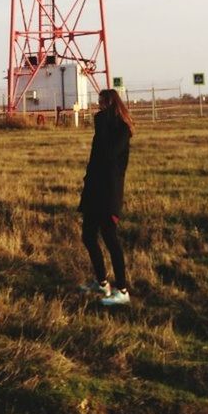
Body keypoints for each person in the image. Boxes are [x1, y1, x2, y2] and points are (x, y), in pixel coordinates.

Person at [78, 87, 134, 306]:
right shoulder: (103, 126)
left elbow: (110, 155)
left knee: (111, 239)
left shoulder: (121, 129)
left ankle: (122, 290)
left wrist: (101, 122)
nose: (99, 107)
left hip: (109, 191)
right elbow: (96, 157)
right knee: (88, 236)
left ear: (112, 104)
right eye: (99, 102)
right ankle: (102, 282)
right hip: (94, 189)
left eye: (103, 103)